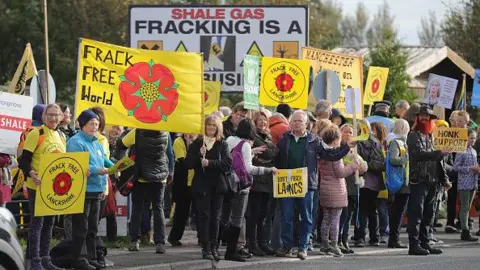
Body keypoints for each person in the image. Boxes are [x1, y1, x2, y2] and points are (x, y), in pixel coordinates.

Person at [275, 110, 354, 260]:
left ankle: (303, 247)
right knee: (287, 216)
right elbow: (275, 157)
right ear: (290, 123)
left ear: (306, 124)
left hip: (306, 184)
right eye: (294, 121)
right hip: (286, 182)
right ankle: (287, 246)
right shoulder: (284, 139)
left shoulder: (314, 140)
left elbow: (330, 154)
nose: (296, 123)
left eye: (300, 121)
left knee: (306, 217)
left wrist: (346, 147)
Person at [18, 103, 66, 270]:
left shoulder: (61, 136)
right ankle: (35, 261)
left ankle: (46, 259)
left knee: (49, 224)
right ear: (44, 117)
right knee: (37, 223)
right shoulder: (36, 134)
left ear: (61, 117)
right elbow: (23, 160)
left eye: (56, 114)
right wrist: (32, 173)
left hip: (54, 188)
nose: (53, 117)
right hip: (36, 186)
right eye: (50, 114)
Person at [67, 109, 114, 270]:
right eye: (91, 124)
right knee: (81, 227)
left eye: (97, 124)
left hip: (98, 189)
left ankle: (92, 257)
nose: (95, 127)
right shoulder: (75, 142)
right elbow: (76, 163)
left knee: (93, 227)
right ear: (82, 125)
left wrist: (116, 167)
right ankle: (79, 259)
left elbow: (104, 160)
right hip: (83, 189)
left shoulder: (96, 142)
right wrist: (96, 170)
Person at [225, 119, 276, 262]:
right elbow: (249, 169)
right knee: (238, 219)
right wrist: (268, 170)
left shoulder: (230, 139)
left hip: (229, 184)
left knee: (229, 217)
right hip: (241, 187)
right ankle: (231, 252)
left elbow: (233, 158)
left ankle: (226, 247)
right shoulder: (245, 145)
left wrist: (251, 152)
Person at [118, 127, 174, 254]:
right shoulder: (165, 131)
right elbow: (169, 153)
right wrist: (170, 172)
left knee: (137, 208)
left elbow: (121, 145)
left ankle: (134, 241)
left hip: (140, 175)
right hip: (160, 177)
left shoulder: (136, 131)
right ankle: (160, 243)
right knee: (158, 208)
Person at [185, 115, 232, 261]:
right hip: (202, 186)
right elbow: (187, 163)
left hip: (217, 186)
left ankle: (214, 247)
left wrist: (210, 163)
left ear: (218, 128)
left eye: (214, 125)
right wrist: (199, 154)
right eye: (208, 125)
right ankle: (205, 248)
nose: (211, 128)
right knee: (204, 217)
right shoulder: (198, 143)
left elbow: (227, 164)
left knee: (216, 218)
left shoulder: (222, 144)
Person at [406, 104, 451, 256]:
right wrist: (439, 152)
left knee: (429, 214)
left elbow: (439, 161)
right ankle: (414, 245)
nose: (425, 118)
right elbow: (419, 154)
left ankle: (425, 242)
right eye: (422, 116)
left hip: (433, 180)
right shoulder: (413, 135)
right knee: (416, 212)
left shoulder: (430, 136)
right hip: (418, 179)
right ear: (417, 118)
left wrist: (444, 179)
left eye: (428, 117)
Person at [318, 126, 359, 257]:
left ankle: (325, 244)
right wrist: (353, 166)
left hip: (324, 189)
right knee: (335, 219)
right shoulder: (335, 154)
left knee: (326, 218)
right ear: (336, 139)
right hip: (336, 190)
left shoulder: (322, 153)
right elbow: (340, 173)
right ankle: (334, 244)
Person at [247, 111, 279, 256]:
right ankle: (252, 244)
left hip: (267, 181)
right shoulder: (253, 137)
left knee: (263, 214)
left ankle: (262, 243)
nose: (263, 123)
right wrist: (268, 154)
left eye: (265, 120)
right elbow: (268, 152)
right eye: (259, 120)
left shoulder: (268, 136)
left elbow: (274, 152)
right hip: (257, 181)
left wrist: (268, 154)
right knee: (255, 214)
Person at [338, 124, 368, 254]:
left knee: (348, 216)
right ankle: (338, 240)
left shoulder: (355, 149)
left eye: (351, 132)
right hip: (342, 187)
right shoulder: (339, 147)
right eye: (346, 131)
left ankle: (344, 241)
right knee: (341, 216)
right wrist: (351, 163)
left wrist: (362, 166)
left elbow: (363, 165)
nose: (349, 134)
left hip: (353, 188)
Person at [355, 119, 386, 247]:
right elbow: (382, 162)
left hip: (362, 180)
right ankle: (374, 237)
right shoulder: (377, 142)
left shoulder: (357, 142)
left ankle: (360, 237)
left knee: (361, 210)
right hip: (375, 181)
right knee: (373, 210)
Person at [168, 134, 197, 247]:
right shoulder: (178, 142)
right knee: (181, 212)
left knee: (199, 211)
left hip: (196, 181)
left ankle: (202, 238)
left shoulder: (199, 142)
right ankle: (174, 237)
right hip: (183, 183)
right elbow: (184, 162)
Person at [386, 119, 411, 249]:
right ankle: (394, 239)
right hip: (400, 181)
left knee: (399, 210)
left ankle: (394, 238)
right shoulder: (396, 142)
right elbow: (394, 159)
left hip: (403, 180)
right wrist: (407, 158)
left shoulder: (401, 142)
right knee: (398, 211)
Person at [453, 128, 479, 241]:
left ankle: (465, 229)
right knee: (464, 207)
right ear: (466, 138)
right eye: (471, 138)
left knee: (467, 207)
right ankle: (465, 230)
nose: (473, 140)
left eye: (474, 138)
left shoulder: (473, 151)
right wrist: (470, 168)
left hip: (473, 181)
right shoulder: (461, 150)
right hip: (464, 182)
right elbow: (456, 167)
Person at [446, 111, 469, 233]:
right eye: (455, 120)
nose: (457, 123)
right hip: (453, 168)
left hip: (466, 170)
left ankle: (463, 221)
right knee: (452, 195)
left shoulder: (468, 133)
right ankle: (450, 221)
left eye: (459, 121)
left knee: (465, 197)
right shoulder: (449, 133)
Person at [371, 122, 390, 244]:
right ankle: (375, 232)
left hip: (382, 180)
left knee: (382, 209)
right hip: (374, 180)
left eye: (373, 130)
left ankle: (384, 232)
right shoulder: (371, 144)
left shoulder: (385, 146)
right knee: (373, 208)